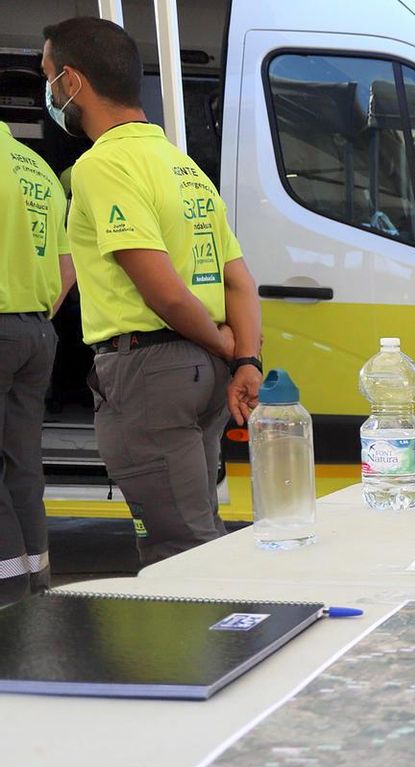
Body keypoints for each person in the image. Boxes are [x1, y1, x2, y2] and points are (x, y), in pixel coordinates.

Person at [43, 17, 263, 566]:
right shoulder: (181, 165)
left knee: (178, 553)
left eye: (47, 77)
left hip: (150, 371)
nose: (47, 92)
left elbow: (162, 291)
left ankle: (200, 652)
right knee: (199, 536)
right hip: (199, 375)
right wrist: (245, 360)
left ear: (72, 81)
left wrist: (227, 348)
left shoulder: (104, 165)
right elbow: (239, 280)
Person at [1, 121, 74, 600]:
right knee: (22, 465)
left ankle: (6, 590)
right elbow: (67, 267)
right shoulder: (38, 169)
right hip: (36, 331)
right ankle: (35, 585)